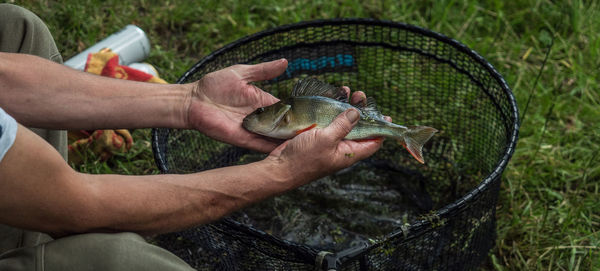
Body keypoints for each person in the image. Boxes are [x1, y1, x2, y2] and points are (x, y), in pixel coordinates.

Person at [0, 4, 385, 270]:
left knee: (16, 27)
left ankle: (24, 232)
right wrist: (281, 171)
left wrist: (186, 101)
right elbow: (78, 206)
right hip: (54, 198)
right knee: (122, 261)